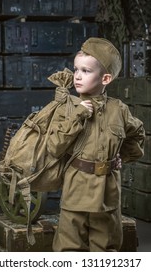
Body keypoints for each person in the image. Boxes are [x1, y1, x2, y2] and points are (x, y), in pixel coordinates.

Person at [47, 37, 145, 252]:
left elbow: (137, 133)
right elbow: (54, 146)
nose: (78, 76)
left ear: (106, 78)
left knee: (106, 250)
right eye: (76, 69)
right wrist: (78, 115)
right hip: (76, 190)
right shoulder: (67, 108)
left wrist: (124, 157)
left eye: (86, 70)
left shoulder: (118, 109)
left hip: (107, 193)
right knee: (69, 251)